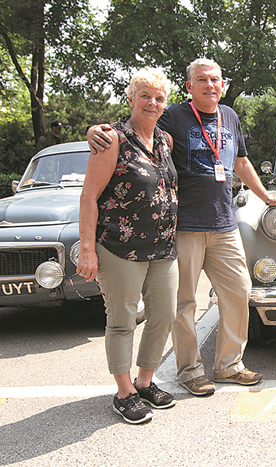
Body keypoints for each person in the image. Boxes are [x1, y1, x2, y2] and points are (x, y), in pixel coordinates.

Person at [88, 58, 276, 397]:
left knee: (239, 291)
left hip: (224, 223)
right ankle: (190, 371)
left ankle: (228, 365)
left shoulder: (229, 116)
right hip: (183, 225)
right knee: (183, 304)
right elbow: (138, 123)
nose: (209, 85)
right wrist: (97, 130)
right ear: (189, 87)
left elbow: (240, 161)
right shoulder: (174, 115)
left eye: (215, 80)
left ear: (222, 85)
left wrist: (265, 195)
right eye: (201, 80)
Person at [78, 68, 178, 423]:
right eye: (145, 95)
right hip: (120, 246)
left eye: (159, 98)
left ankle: (145, 381)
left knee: (164, 315)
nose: (152, 102)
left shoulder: (165, 140)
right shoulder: (112, 138)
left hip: (162, 246)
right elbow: (89, 197)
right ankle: (124, 393)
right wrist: (87, 249)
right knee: (121, 321)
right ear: (131, 98)